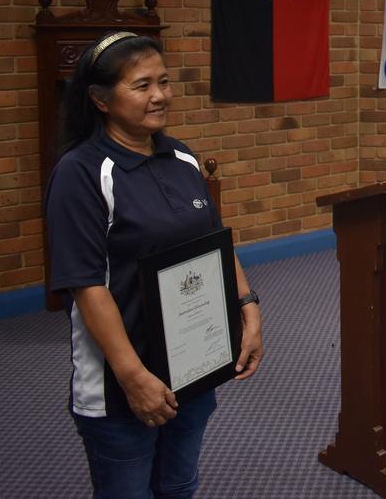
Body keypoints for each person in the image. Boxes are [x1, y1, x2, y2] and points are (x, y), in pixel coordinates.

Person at [45, 31, 264, 498]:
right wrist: (133, 377)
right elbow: (86, 286)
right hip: (122, 384)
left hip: (194, 366)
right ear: (100, 100)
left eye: (164, 81)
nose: (160, 95)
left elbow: (216, 243)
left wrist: (247, 306)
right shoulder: (82, 173)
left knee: (179, 484)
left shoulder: (181, 156)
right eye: (142, 86)